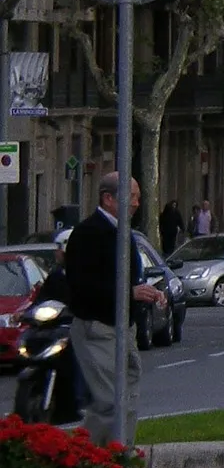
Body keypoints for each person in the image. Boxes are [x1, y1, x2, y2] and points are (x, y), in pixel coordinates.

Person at [65, 173, 166, 446]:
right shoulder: (88, 233)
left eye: (138, 197)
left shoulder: (124, 233)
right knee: (110, 402)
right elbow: (81, 286)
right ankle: (85, 458)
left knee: (128, 400)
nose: (136, 203)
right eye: (131, 196)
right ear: (108, 199)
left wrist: (148, 292)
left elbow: (128, 281)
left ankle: (121, 459)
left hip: (124, 328)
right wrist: (129, 293)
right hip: (97, 328)